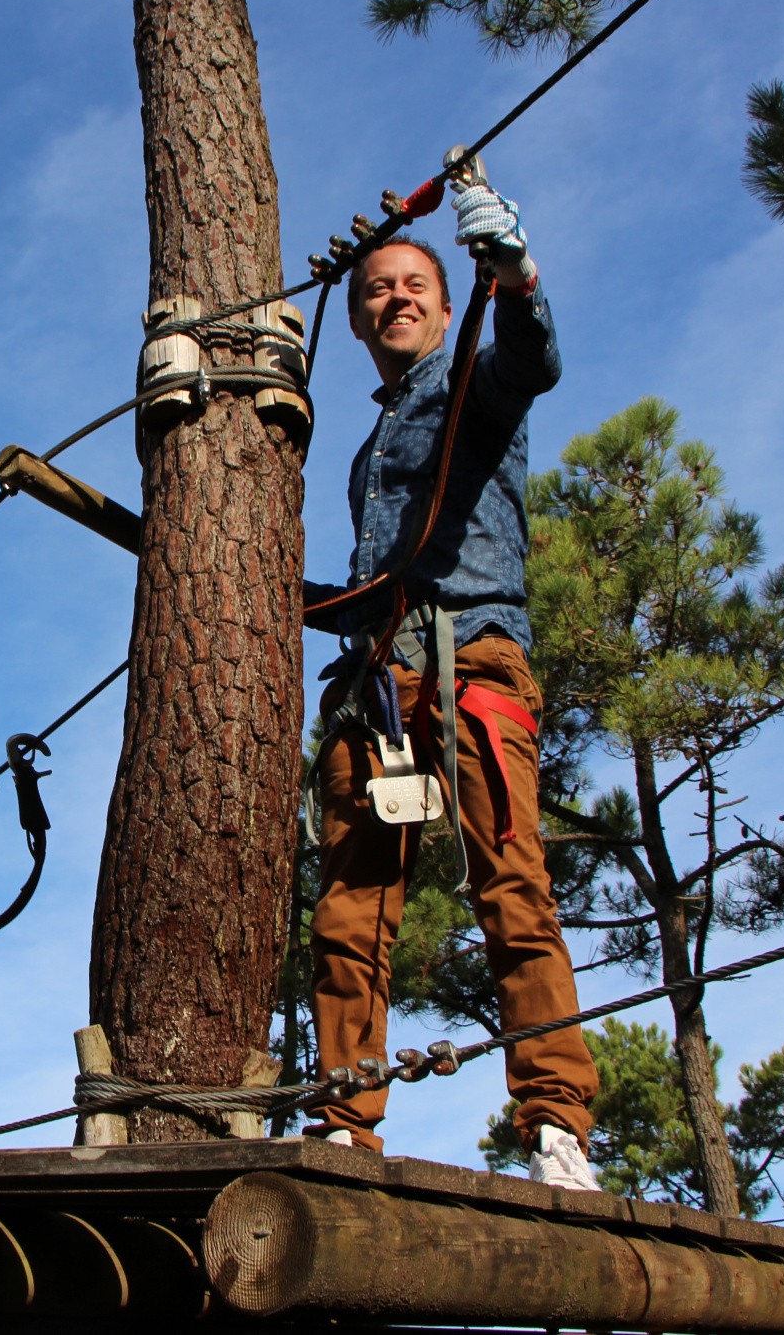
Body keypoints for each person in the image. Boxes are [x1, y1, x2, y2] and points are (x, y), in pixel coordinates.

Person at [300, 180, 601, 1189]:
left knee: (510, 881)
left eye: (412, 284)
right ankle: (344, 1114)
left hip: (472, 658)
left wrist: (511, 276)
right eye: (376, 290)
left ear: (441, 301)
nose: (394, 298)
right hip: (379, 679)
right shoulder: (365, 450)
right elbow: (377, 583)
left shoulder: (473, 384)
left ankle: (555, 1118)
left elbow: (529, 359)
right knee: (350, 901)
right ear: (356, 320)